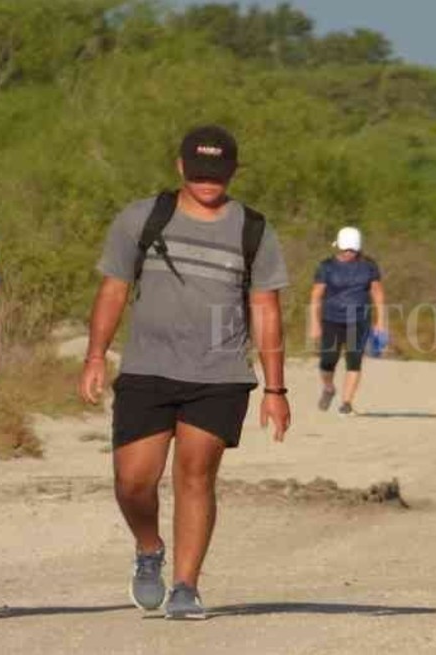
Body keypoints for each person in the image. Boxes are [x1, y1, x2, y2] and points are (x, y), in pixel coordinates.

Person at [79, 125, 291, 620]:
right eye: (198, 171)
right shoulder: (143, 217)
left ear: (234, 172)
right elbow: (113, 290)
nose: (207, 182)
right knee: (133, 481)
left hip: (218, 374)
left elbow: (266, 309)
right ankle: (149, 547)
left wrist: (275, 388)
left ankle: (186, 587)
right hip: (147, 368)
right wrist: (95, 355)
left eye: (217, 173)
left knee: (195, 476)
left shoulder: (253, 229)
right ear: (180, 167)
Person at [309, 227, 386, 416]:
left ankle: (346, 403)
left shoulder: (369, 266)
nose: (349, 253)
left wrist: (381, 322)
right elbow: (316, 295)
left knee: (354, 360)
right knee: (327, 361)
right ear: (339, 247)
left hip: (359, 319)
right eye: (346, 250)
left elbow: (377, 293)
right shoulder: (326, 266)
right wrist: (314, 323)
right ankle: (329, 388)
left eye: (352, 250)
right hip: (331, 318)